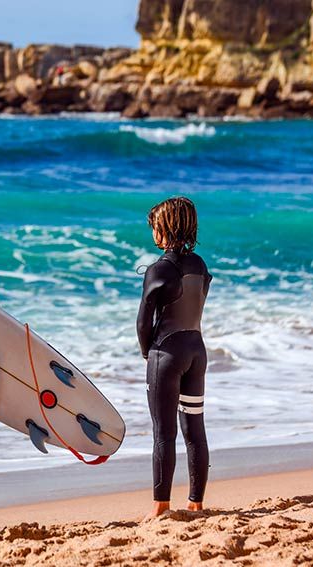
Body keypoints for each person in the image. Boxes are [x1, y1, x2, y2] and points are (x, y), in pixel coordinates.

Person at [136, 196, 212, 519]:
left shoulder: (158, 270)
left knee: (163, 432)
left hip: (165, 355)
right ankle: (196, 502)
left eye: (155, 225)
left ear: (164, 229)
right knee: (194, 429)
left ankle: (161, 506)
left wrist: (147, 354)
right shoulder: (200, 266)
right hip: (196, 351)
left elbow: (143, 321)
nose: (153, 231)